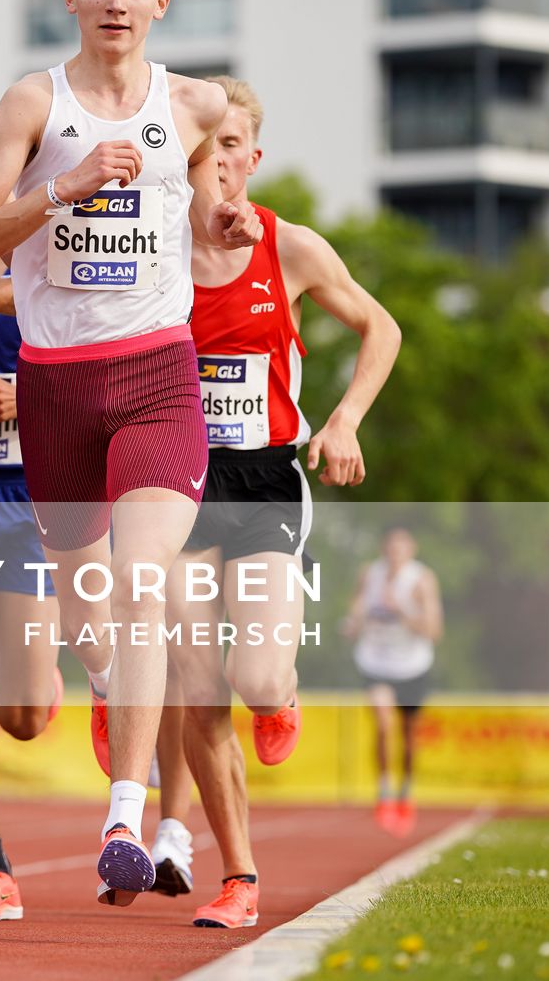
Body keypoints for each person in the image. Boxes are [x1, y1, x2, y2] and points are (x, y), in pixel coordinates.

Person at [0, 0, 261, 907]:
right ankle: (109, 696)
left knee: (141, 586)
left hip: (159, 377)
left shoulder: (196, 102)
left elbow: (208, 190)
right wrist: (64, 190)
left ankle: (125, 812)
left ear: (161, 2)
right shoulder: (35, 103)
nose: (117, 3)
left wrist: (221, 215)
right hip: (58, 387)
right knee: (94, 616)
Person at [161, 75, 403, 929]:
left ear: (252, 158)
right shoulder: (149, 252)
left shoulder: (289, 247)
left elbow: (384, 327)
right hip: (178, 482)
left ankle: (282, 695)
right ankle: (239, 876)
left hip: (264, 481)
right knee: (196, 687)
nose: (219, 160)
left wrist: (342, 421)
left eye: (233, 145)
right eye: (204, 144)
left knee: (255, 677)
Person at [0, 107, 110, 921]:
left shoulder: (57, 264)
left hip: (30, 506)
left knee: (25, 717)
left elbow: (107, 382)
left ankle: (52, 686)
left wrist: (24, 394)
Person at [344, 525, 442, 836]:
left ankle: (405, 791)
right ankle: (385, 791)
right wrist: (353, 621)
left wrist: (401, 612)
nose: (394, 555)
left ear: (411, 550)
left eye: (401, 549)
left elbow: (434, 631)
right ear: (384, 549)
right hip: (376, 662)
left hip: (413, 665)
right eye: (390, 548)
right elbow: (356, 609)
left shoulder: (421, 580)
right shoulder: (369, 574)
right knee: (383, 724)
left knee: (409, 737)